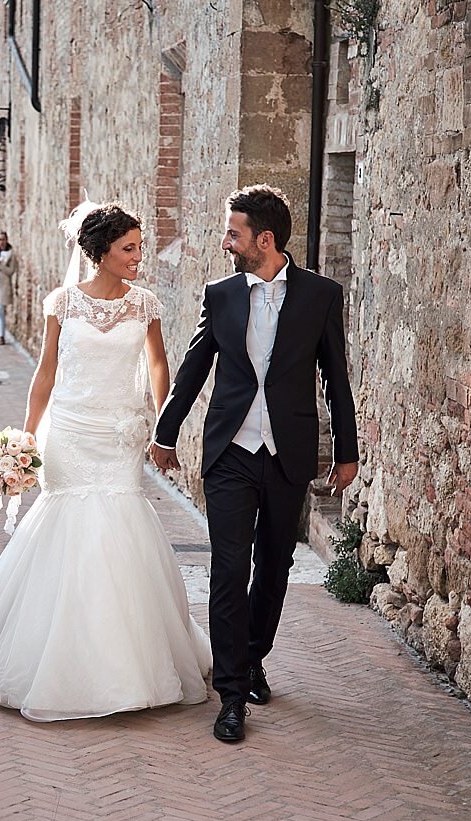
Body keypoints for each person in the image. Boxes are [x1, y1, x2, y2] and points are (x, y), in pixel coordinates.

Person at [0, 202, 212, 722]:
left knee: (120, 526)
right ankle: (56, 658)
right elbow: (45, 372)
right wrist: (27, 435)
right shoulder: (62, 301)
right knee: (68, 527)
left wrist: (159, 425)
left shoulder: (145, 303)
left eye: (140, 246)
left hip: (119, 435)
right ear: (100, 252)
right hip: (71, 434)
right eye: (128, 248)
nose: (138, 256)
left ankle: (127, 663)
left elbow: (158, 366)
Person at [149, 184, 359, 743]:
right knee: (227, 567)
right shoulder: (220, 295)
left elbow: (336, 378)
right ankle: (231, 693)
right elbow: (194, 368)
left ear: (264, 240)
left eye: (233, 234)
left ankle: (253, 655)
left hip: (287, 452)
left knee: (274, 567)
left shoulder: (320, 296)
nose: (226, 243)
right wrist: (165, 434)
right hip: (230, 453)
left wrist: (346, 449)